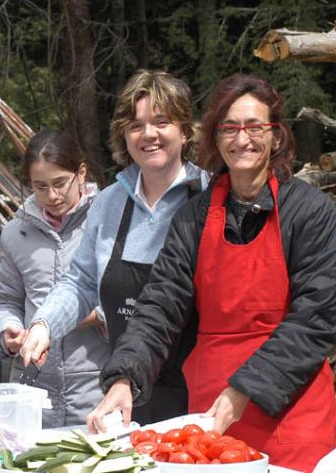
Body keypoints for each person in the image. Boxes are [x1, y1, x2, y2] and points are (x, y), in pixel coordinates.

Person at [90, 74, 336, 471]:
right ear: (215, 138)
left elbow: (316, 318)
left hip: (292, 411)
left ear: (276, 136)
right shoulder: (193, 217)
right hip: (211, 418)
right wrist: (124, 377)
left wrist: (245, 389)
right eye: (229, 128)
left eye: (254, 127)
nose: (242, 139)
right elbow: (159, 305)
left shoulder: (310, 211)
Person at [19, 70, 209, 425]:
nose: (148, 134)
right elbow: (81, 282)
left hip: (201, 396)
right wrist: (44, 325)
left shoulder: (211, 200)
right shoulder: (109, 203)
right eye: (136, 125)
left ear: (185, 131)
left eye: (162, 122)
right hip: (127, 391)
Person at [0, 130, 108, 427]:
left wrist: (75, 317)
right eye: (40, 187)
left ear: (81, 173)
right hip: (33, 391)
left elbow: (127, 300)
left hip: (96, 388)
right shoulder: (16, 233)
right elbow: (5, 300)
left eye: (60, 183)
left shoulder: (108, 222)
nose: (52, 196)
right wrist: (8, 332)